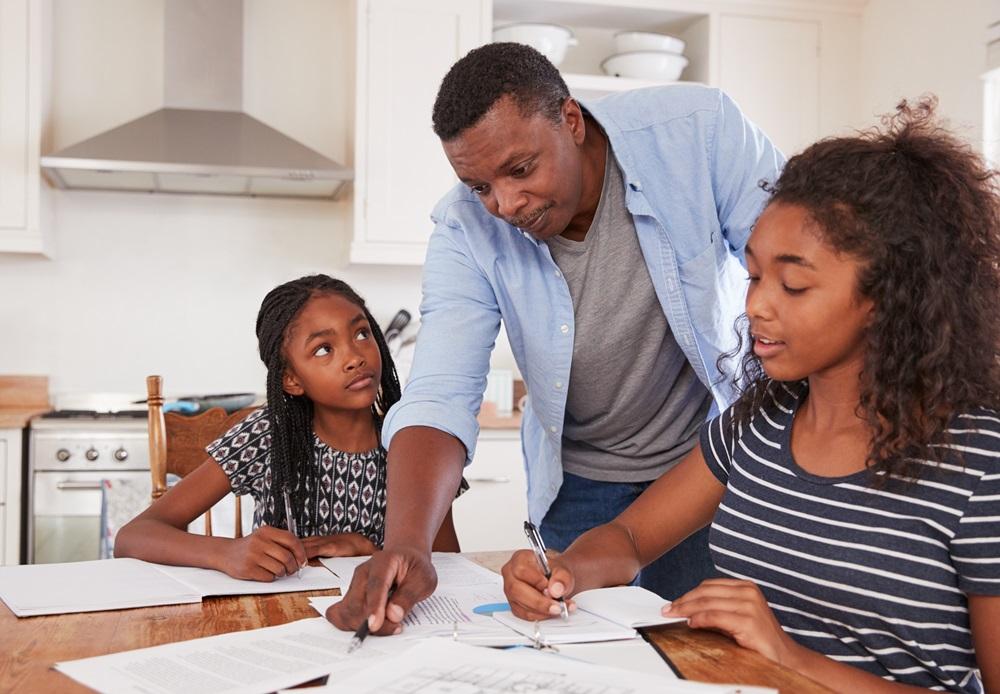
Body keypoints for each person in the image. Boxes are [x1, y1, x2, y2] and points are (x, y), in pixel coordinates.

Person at [501, 99, 1000, 692]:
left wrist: (789, 657)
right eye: (755, 274)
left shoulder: (978, 465)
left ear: (891, 297)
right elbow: (632, 538)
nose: (756, 305)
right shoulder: (759, 424)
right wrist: (567, 569)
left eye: (793, 284)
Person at [327, 42, 782, 634]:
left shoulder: (698, 134)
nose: (506, 204)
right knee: (583, 654)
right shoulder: (464, 227)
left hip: (707, 467)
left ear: (570, 120)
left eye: (519, 171)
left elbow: (799, 265)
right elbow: (440, 392)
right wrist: (408, 541)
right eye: (480, 186)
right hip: (579, 482)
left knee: (712, 655)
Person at [115, 274, 461, 580]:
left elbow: (448, 565)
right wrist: (227, 552)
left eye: (361, 333)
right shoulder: (267, 436)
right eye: (324, 349)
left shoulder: (415, 440)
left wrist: (370, 549)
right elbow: (133, 536)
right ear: (291, 379)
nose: (355, 356)